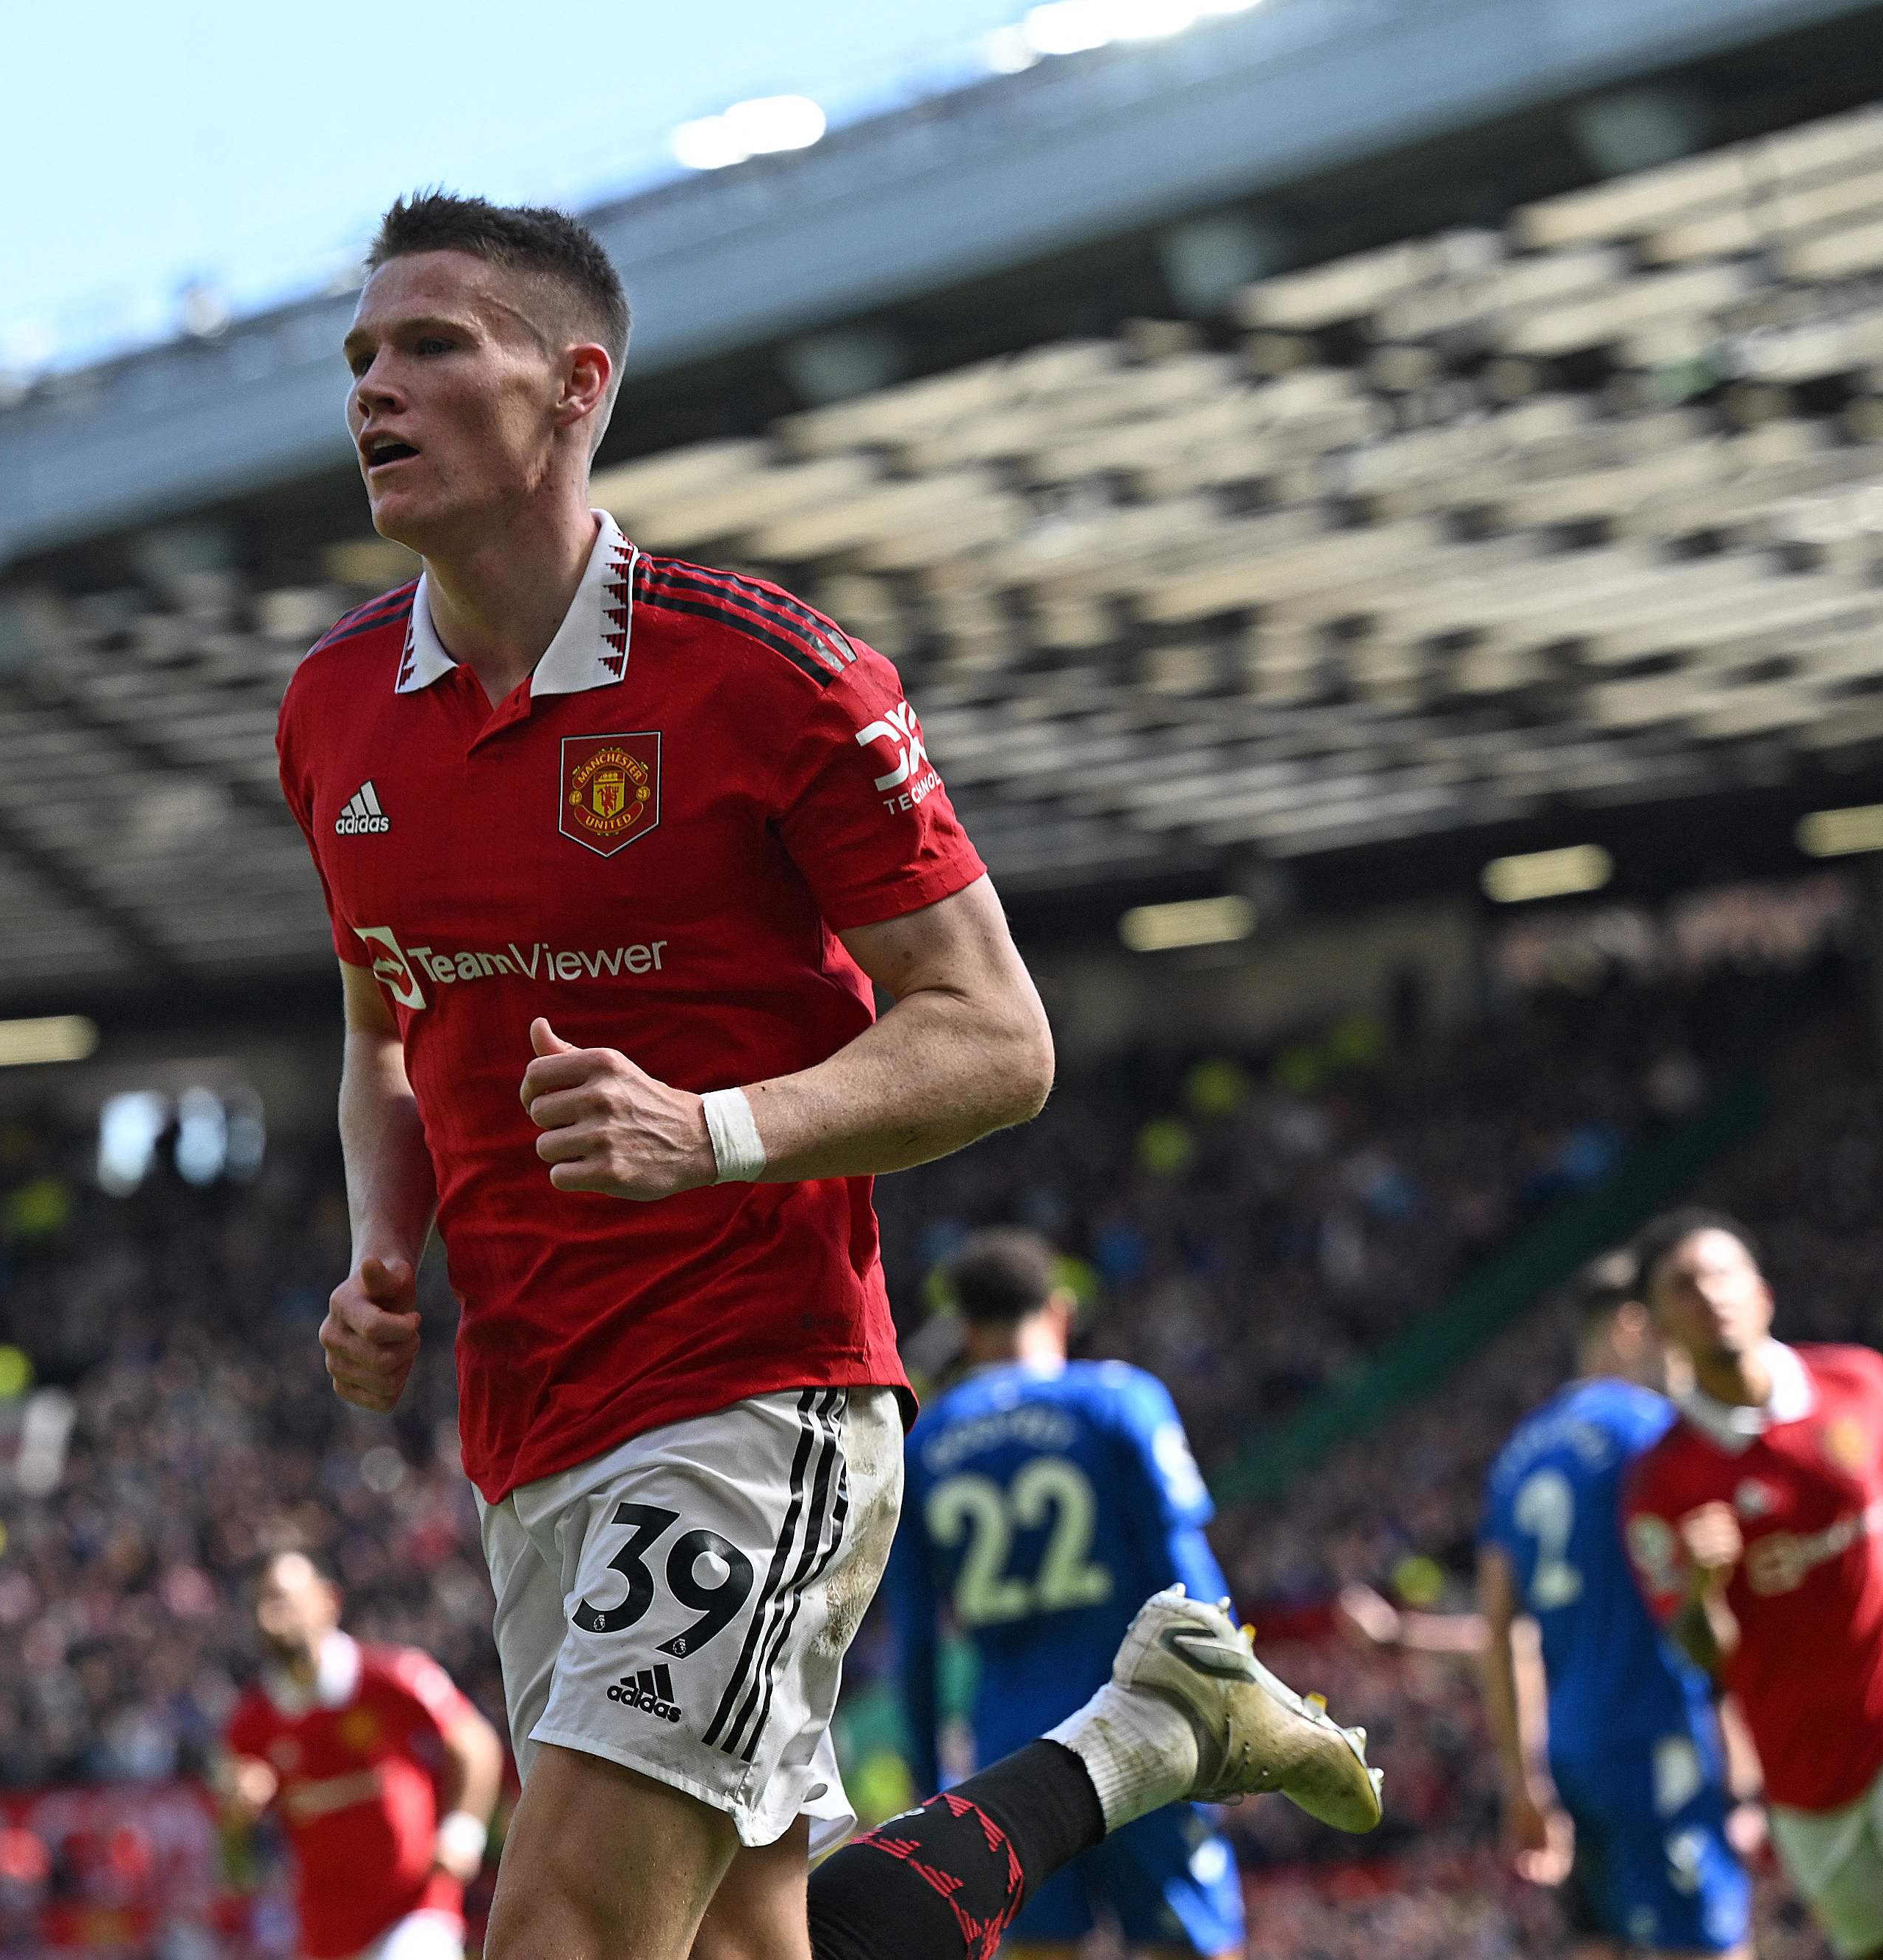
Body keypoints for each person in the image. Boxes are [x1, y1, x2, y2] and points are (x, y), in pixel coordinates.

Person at [276, 190, 1380, 1960]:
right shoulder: (333, 709)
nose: (372, 391)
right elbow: (376, 1037)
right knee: (751, 1942)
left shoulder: (768, 675)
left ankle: (1137, 1736)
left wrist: (710, 1131)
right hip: (528, 1430)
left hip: (749, 1391)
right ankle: (1141, 1734)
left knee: (561, 1930)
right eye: (358, 357)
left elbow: (994, 1033)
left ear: (575, 388)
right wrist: (380, 1255)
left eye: (429, 347)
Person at [1620, 1207, 1883, 1960]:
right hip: (1802, 1760)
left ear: (1761, 1292)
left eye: (1721, 1273)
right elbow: (1703, 1654)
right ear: (1657, 1324)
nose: (1709, 1294)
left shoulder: (1854, 1379)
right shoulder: (1660, 1483)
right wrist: (1703, 1585)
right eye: (1682, 1285)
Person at [885, 1229, 1248, 1960]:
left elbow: (916, 1642)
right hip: (1140, 1724)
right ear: (1059, 1310)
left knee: (1043, 1950)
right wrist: (1235, 1719)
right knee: (1188, 1942)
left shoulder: (921, 1448)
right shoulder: (1116, 1401)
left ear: (966, 1328)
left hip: (1011, 1750)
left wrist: (932, 1788)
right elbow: (1190, 1580)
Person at [1480, 1254, 1752, 1960]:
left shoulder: (1518, 1455)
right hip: (1655, 1729)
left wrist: (1522, 1776)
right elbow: (1706, 1591)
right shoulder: (1654, 1432)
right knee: (1708, 1941)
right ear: (1633, 1327)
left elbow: (1499, 1631)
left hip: (1572, 1746)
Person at [216, 1550, 507, 1960]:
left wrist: (463, 1832)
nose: (270, 1617)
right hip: (327, 1934)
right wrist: (237, 1815)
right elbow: (235, 1867)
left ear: (328, 1600)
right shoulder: (251, 1722)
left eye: (281, 1599)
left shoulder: (394, 1678)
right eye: (258, 1605)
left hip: (415, 1913)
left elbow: (474, 1742)